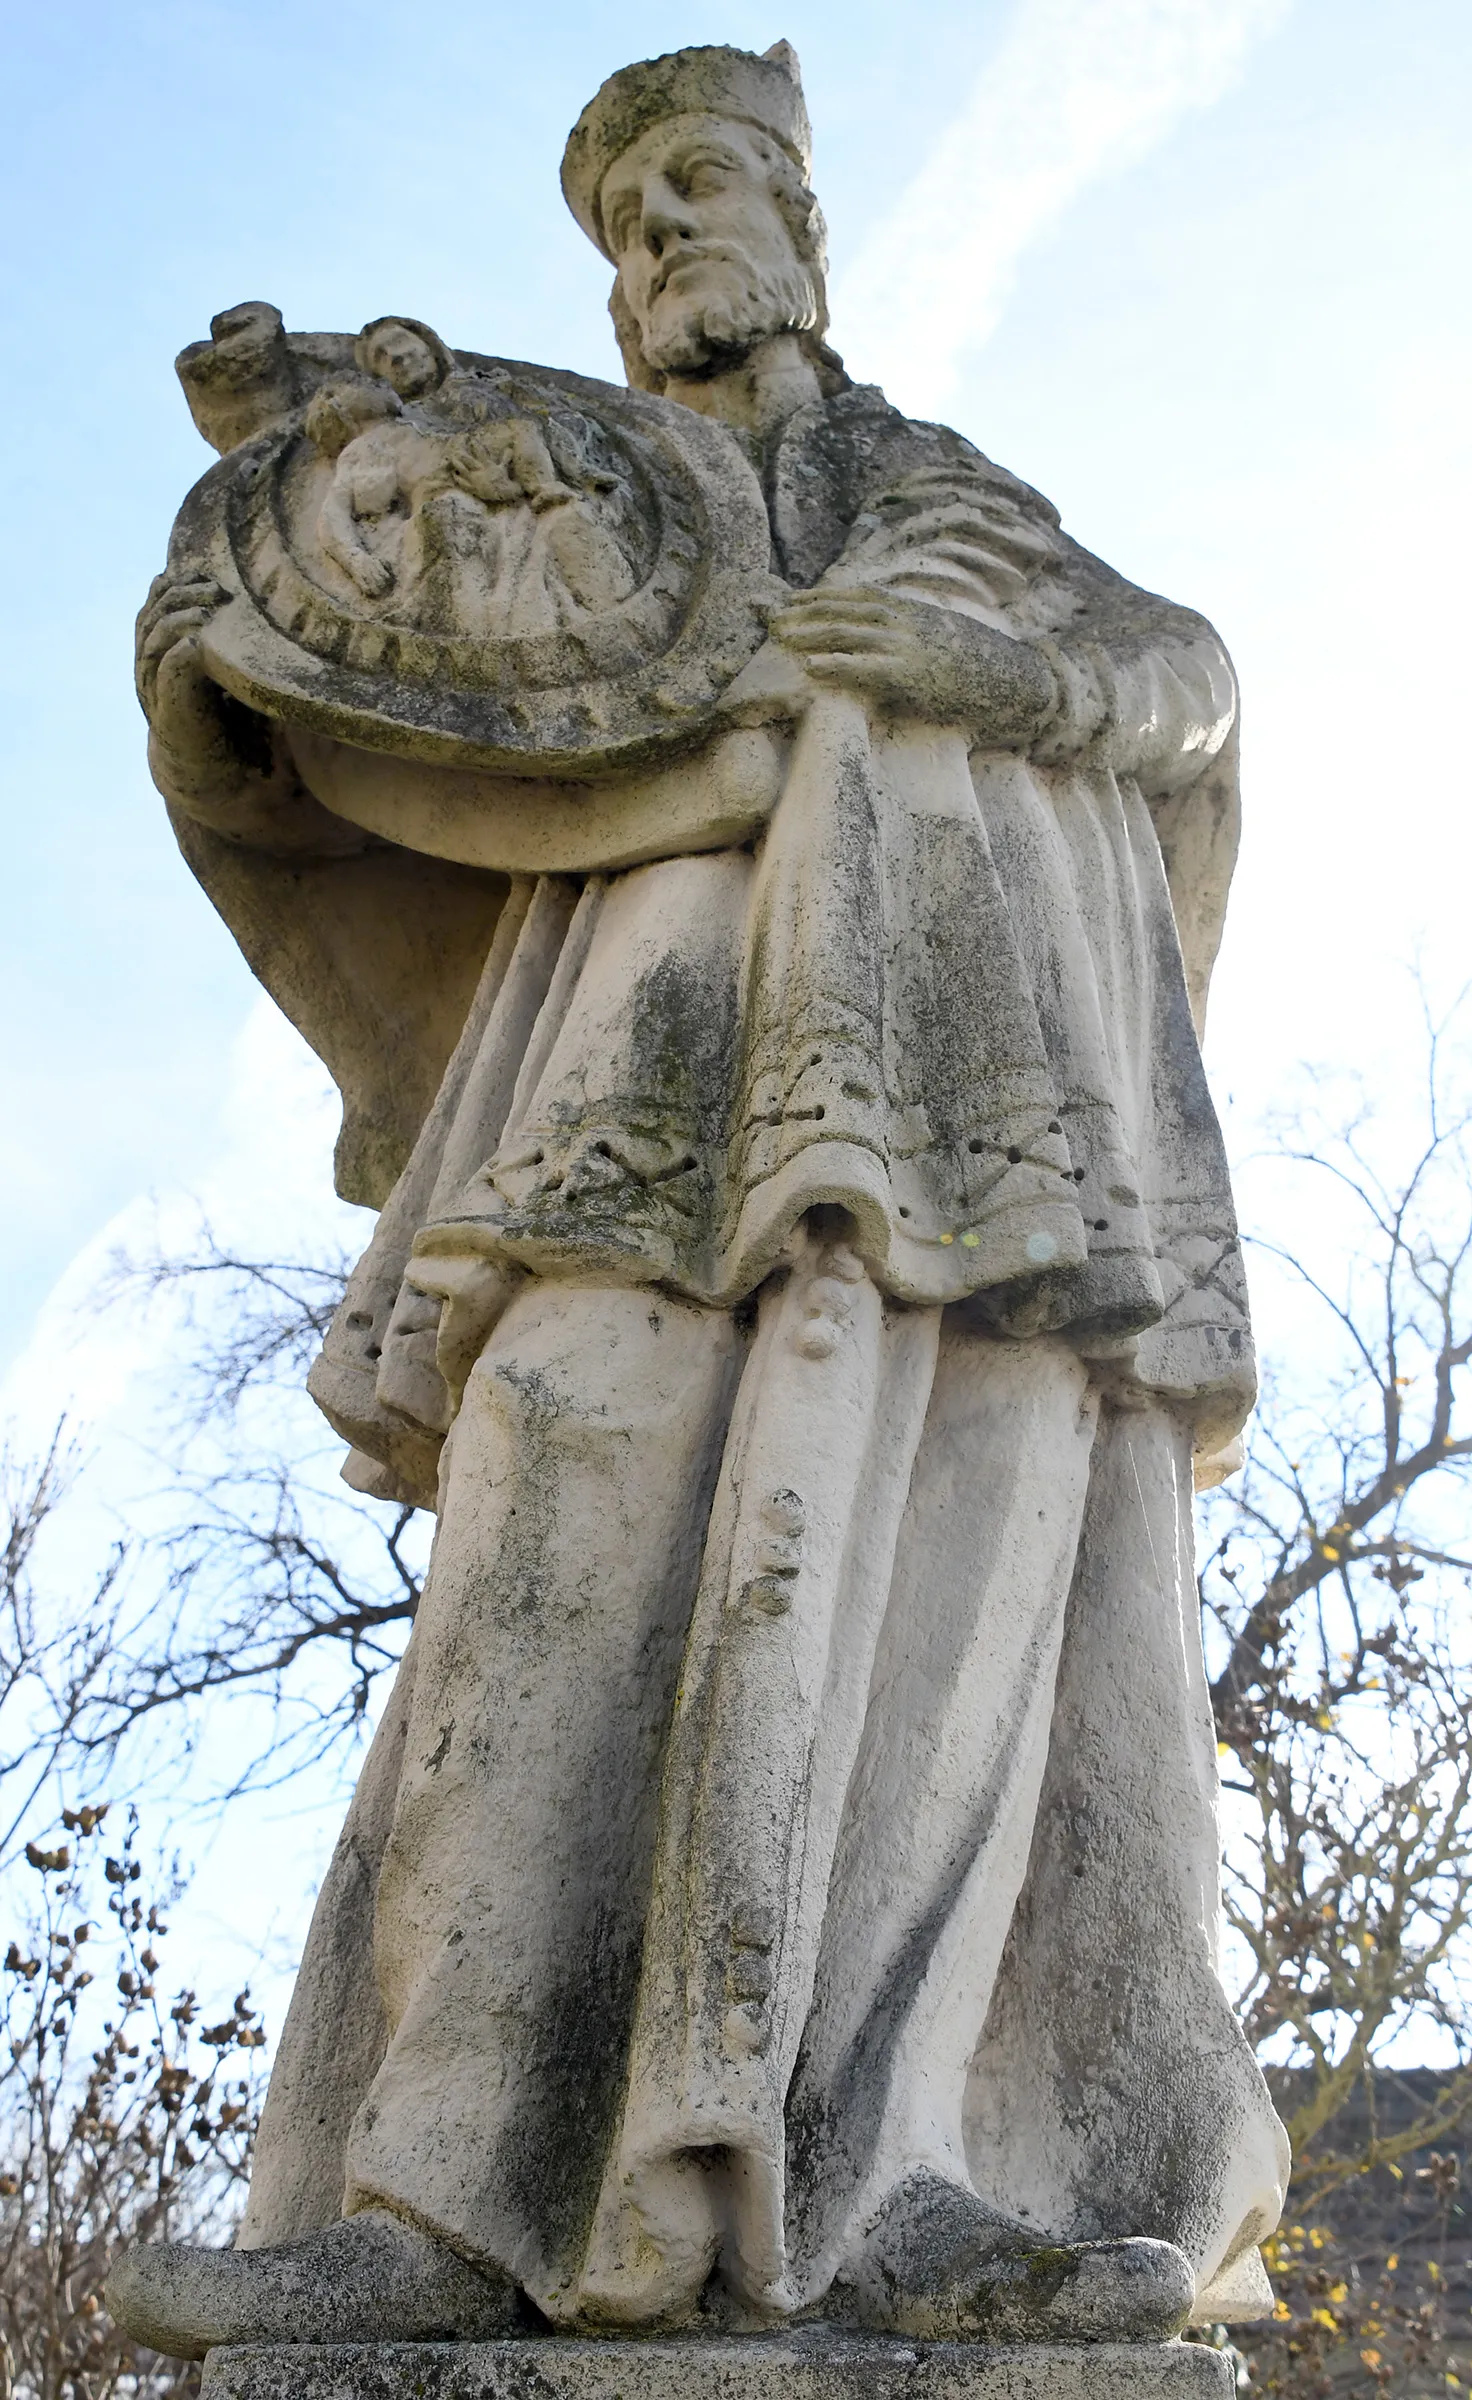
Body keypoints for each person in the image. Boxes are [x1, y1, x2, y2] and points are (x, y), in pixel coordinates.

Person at [110, 41, 1288, 2361]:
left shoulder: (940, 490)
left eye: (702, 192)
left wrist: (1008, 668)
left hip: (967, 1107)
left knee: (946, 1606)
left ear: (805, 233)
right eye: (629, 219)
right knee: (540, 1539)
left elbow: (1190, 678)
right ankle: (432, 2200)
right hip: (641, 1090)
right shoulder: (591, 499)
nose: (662, 244)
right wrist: (239, 642)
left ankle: (913, 2176)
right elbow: (382, 672)